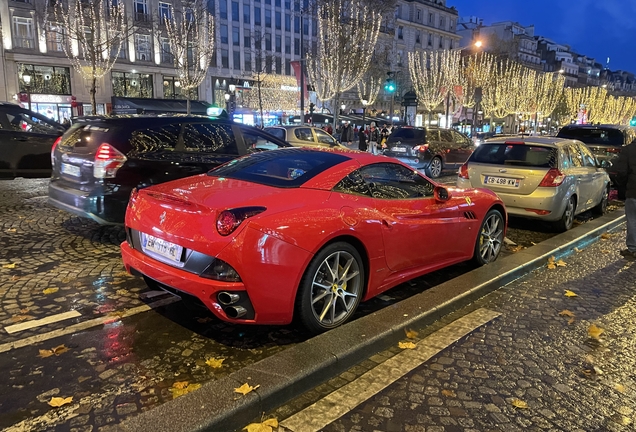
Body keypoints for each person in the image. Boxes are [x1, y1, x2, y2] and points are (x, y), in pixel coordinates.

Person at [614, 144, 636, 260]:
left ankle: (632, 249)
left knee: (632, 219)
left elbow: (622, 171)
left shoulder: (629, 149)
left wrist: (621, 185)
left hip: (633, 190)